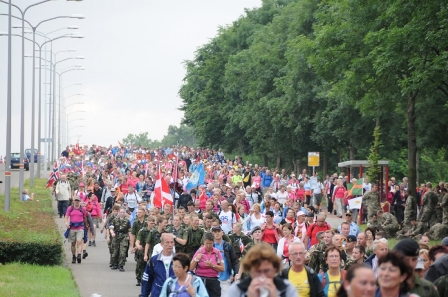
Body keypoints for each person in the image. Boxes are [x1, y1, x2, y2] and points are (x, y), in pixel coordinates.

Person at [227, 243, 298, 297]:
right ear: (250, 270)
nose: (262, 276)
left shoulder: (286, 288)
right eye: (258, 271)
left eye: (266, 271)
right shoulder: (237, 290)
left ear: (275, 269)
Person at [190, 232, 225, 297]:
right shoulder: (199, 251)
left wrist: (212, 265)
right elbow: (191, 268)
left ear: (213, 242)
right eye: (207, 243)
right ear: (204, 242)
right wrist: (196, 259)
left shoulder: (217, 252)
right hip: (201, 280)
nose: (208, 246)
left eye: (210, 244)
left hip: (213, 281)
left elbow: (222, 269)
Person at [212, 225, 240, 296]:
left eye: (219, 231)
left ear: (222, 233)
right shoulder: (210, 246)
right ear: (212, 234)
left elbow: (234, 261)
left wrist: (235, 274)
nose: (217, 233)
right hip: (214, 279)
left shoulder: (228, 245)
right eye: (215, 232)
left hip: (226, 278)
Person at [65, 196, 88, 264]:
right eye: (75, 200)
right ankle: (74, 256)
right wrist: (66, 223)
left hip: (80, 228)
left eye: (78, 200)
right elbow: (66, 217)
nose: (77, 202)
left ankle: (79, 255)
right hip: (72, 228)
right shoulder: (70, 208)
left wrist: (86, 225)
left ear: (80, 201)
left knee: (79, 242)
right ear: (73, 201)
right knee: (73, 244)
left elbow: (85, 218)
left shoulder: (82, 209)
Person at [110, 207, 131, 271]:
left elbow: (129, 230)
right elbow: (111, 228)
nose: (122, 213)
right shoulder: (115, 220)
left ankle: (121, 265)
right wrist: (112, 233)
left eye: (123, 212)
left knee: (123, 251)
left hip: (124, 236)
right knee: (115, 251)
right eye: (121, 212)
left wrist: (129, 237)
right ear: (119, 213)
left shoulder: (127, 220)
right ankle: (115, 264)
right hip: (116, 235)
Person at [130, 208, 147, 286]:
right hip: (138, 244)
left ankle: (145, 278)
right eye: (137, 212)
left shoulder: (147, 222)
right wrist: (132, 246)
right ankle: (138, 278)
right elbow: (133, 235)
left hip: (146, 244)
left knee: (146, 262)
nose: (138, 214)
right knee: (139, 262)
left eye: (140, 212)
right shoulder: (136, 223)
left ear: (144, 213)